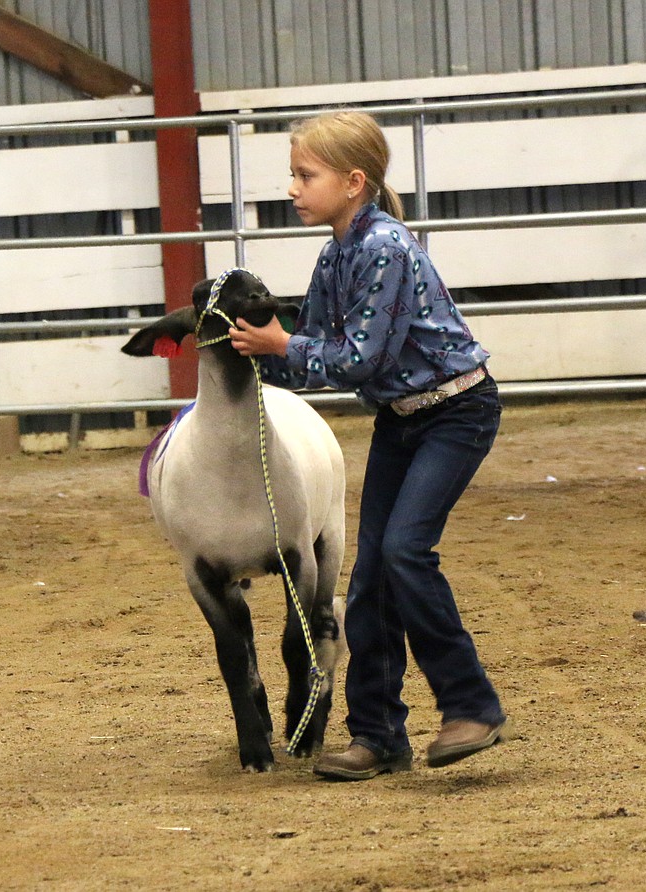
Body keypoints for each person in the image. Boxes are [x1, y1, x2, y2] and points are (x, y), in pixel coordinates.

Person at [229, 110, 511, 780]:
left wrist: (277, 344)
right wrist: (250, 353)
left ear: (353, 182)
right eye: (294, 175)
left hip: (455, 413)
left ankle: (471, 703)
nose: (293, 188)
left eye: (306, 175)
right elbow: (317, 351)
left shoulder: (383, 249)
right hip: (405, 418)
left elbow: (356, 359)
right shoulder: (337, 251)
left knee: (405, 551)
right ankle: (378, 733)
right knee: (371, 579)